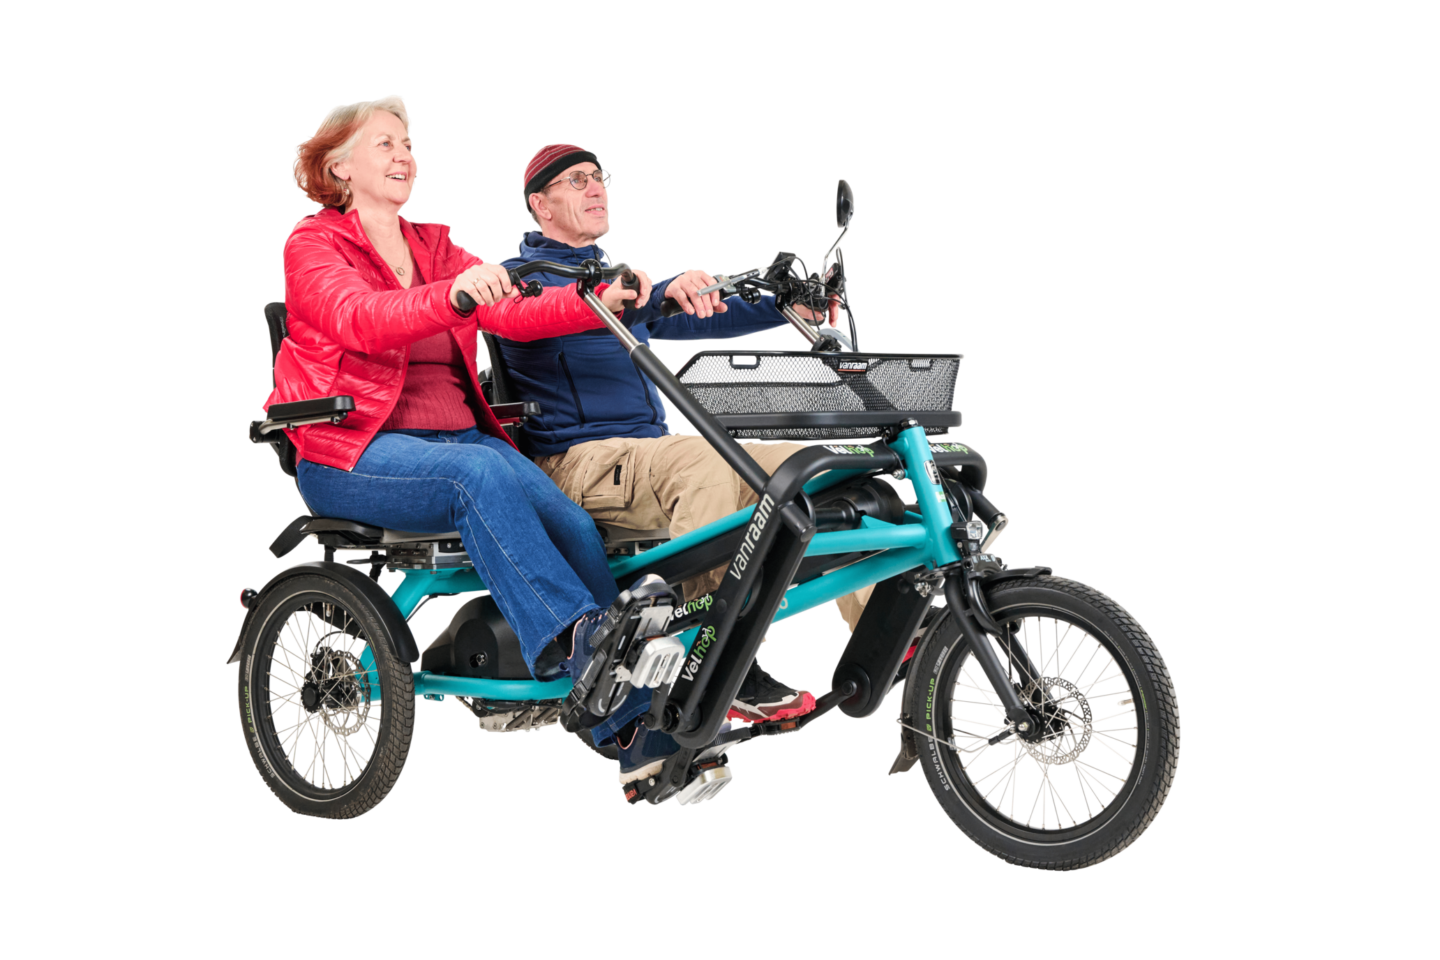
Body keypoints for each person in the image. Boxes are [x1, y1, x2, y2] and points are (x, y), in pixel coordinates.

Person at [498, 144, 877, 790]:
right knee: (705, 460)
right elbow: (591, 304)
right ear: (540, 204)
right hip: (576, 465)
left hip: (645, 458)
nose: (596, 188)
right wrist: (655, 291)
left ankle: (886, 629)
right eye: (577, 180)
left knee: (810, 464)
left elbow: (692, 309)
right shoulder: (521, 281)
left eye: (600, 178)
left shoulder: (613, 276)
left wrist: (782, 304)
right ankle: (711, 661)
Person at [271, 99, 660, 683]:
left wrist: (595, 300)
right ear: (340, 166)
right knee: (474, 475)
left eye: (408, 146)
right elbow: (359, 318)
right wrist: (451, 297)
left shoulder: (436, 249)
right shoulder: (313, 243)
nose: (404, 156)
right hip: (351, 450)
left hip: (460, 440)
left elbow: (514, 313)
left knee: (575, 527)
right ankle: (578, 639)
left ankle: (629, 717)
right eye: (385, 144)